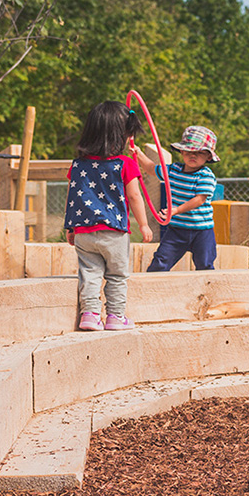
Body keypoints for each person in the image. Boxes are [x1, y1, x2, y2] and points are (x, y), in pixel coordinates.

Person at [64, 101, 153, 332]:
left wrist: (70, 227)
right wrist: (143, 224)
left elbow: (72, 195)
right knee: (116, 275)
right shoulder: (125, 164)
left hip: (84, 231)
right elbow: (134, 196)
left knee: (90, 273)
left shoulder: (78, 165)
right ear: (120, 136)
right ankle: (115, 316)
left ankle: (90, 315)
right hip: (114, 231)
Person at [134, 125, 219, 271]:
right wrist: (138, 153)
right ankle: (153, 287)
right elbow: (151, 168)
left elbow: (199, 199)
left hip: (202, 230)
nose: (193, 155)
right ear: (181, 151)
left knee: (205, 264)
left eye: (199, 153)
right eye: (189, 151)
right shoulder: (173, 171)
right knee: (160, 261)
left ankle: (208, 291)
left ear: (208, 156)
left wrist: (177, 210)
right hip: (177, 229)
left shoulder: (206, 175)